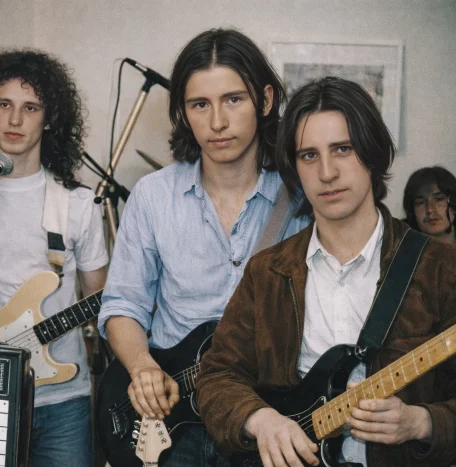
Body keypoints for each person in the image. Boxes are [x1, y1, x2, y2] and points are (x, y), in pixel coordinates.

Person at [197, 77, 456, 467]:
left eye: (343, 149)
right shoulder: (267, 273)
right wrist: (260, 420)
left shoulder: (449, 271)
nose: (326, 172)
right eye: (308, 155)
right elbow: (216, 377)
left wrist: (421, 423)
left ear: (373, 154)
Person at [98, 28, 310, 467]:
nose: (217, 122)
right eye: (200, 104)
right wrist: (141, 366)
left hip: (267, 413)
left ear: (265, 100)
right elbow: (122, 304)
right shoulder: (153, 196)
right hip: (172, 422)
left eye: (233, 99)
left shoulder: (302, 199)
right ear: (183, 111)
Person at [0, 50, 108, 467]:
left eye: (30, 107)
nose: (15, 120)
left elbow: (103, 300)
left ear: (49, 119)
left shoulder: (78, 204)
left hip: (62, 397)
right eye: (4, 104)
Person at [402, 165, 456, 251]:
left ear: (455, 204)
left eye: (439, 199)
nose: (430, 209)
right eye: (420, 202)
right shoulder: (398, 256)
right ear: (412, 212)